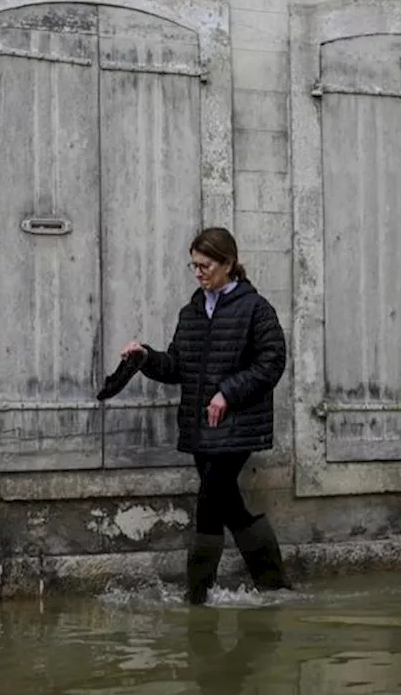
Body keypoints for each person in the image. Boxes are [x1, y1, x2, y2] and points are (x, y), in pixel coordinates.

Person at [120, 227, 291, 605]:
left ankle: (197, 595)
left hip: (238, 426)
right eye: (194, 266)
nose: (198, 273)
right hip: (202, 428)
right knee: (225, 502)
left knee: (210, 498)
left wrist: (227, 392)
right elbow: (177, 366)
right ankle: (272, 586)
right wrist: (144, 357)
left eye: (206, 265)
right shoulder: (193, 310)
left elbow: (272, 362)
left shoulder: (255, 309)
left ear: (228, 263)